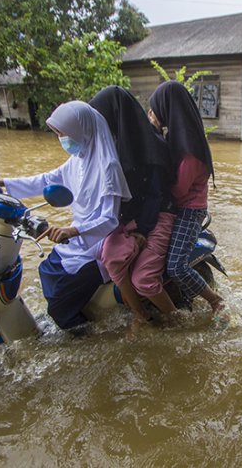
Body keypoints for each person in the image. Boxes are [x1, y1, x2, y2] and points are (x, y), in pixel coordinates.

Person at [0, 101, 131, 331]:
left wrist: (73, 230)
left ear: (80, 130)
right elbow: (46, 180)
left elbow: (110, 219)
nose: (61, 138)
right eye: (58, 133)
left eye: (63, 133)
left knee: (59, 306)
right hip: (76, 238)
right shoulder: (78, 160)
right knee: (46, 270)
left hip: (97, 244)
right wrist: (5, 183)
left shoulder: (108, 167)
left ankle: (85, 337)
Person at [89, 86, 180, 333]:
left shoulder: (152, 147)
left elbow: (155, 195)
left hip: (153, 218)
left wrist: (142, 229)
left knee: (117, 259)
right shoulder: (114, 145)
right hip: (127, 218)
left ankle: (150, 316)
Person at [148, 80, 227, 321]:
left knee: (175, 265)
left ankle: (216, 301)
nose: (150, 114)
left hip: (189, 211)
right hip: (176, 207)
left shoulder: (190, 150)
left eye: (154, 109)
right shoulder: (174, 137)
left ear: (167, 109)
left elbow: (179, 191)